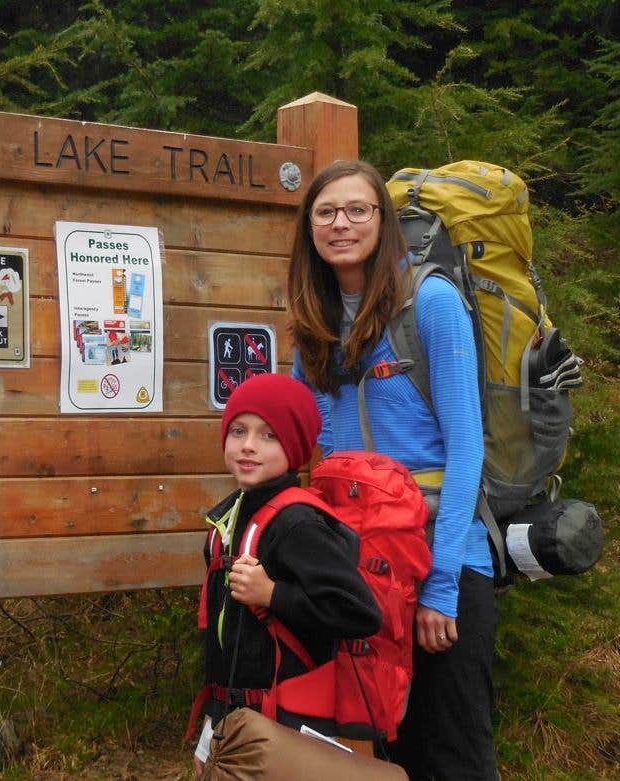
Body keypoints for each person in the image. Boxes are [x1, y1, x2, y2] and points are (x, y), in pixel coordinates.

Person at [288, 159, 498, 780]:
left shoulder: (430, 302)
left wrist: (443, 588)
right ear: (309, 229)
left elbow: (468, 451)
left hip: (444, 558)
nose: (341, 224)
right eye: (325, 212)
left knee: (454, 754)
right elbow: (315, 453)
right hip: (364, 570)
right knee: (384, 750)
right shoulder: (313, 324)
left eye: (358, 209)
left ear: (384, 220)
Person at [192, 372, 380, 775]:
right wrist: (211, 725)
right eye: (238, 430)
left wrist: (272, 594)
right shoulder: (230, 517)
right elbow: (221, 643)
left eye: (268, 436)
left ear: (294, 446)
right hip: (238, 720)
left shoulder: (297, 524)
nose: (247, 445)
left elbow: (360, 612)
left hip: (292, 727)